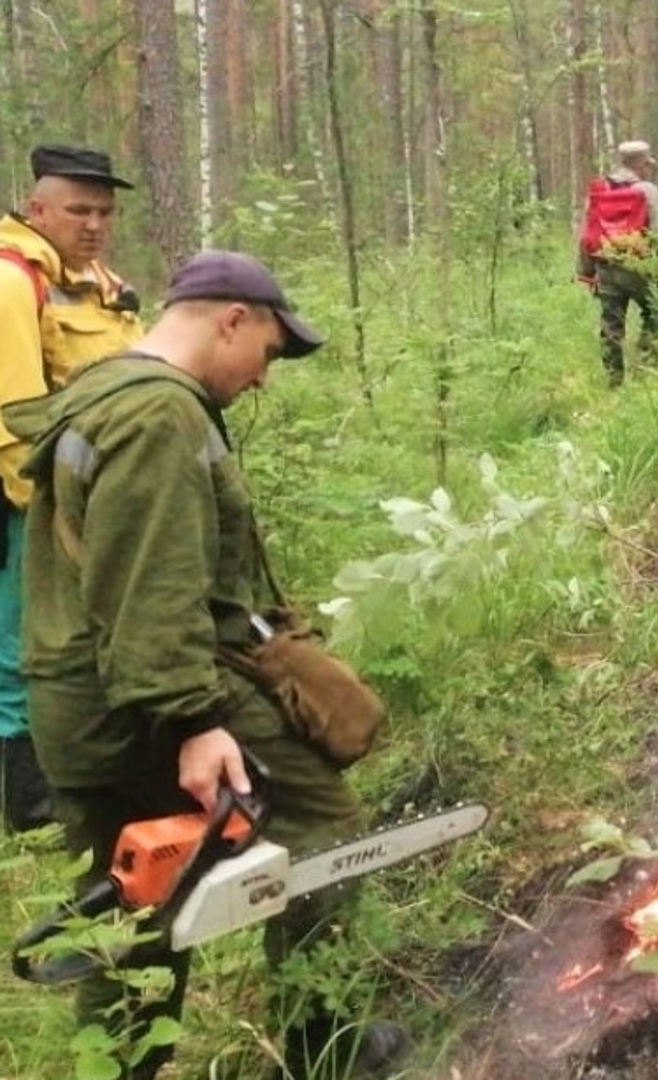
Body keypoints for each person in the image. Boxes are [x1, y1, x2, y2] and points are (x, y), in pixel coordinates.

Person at [1, 251, 408, 1079]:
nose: (263, 377)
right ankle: (322, 1042)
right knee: (320, 824)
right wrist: (194, 721)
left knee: (140, 918)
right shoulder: (159, 419)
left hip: (81, 706)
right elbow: (149, 586)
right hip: (138, 703)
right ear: (233, 319)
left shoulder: (108, 393)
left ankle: (121, 1066)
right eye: (267, 352)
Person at [0, 144, 144, 834]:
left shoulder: (98, 282)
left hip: (97, 496)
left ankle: (84, 768)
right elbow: (14, 418)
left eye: (105, 213)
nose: (93, 225)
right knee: (23, 645)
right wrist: (46, 521)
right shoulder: (11, 281)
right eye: (79, 210)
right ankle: (30, 802)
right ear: (37, 209)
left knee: (82, 639)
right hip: (33, 501)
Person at [577, 139, 658, 387]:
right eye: (647, 164)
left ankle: (614, 381)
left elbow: (587, 235)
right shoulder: (648, 191)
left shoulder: (598, 191)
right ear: (641, 164)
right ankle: (646, 371)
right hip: (640, 268)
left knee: (611, 325)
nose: (649, 169)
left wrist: (587, 272)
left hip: (606, 268)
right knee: (657, 314)